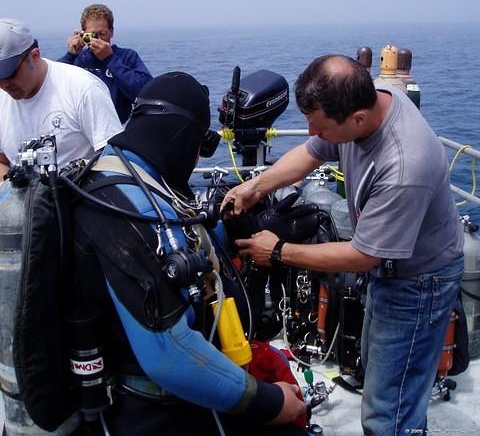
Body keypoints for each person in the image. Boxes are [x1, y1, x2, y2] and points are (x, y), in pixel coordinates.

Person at [222, 54, 464, 436]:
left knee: (389, 412)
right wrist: (256, 185)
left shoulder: (403, 165)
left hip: (418, 283)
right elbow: (313, 151)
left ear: (357, 121)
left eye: (318, 126)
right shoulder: (368, 101)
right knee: (388, 382)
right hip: (391, 271)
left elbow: (364, 255)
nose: (309, 133)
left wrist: (279, 251)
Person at [70, 71, 306, 436]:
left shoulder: (120, 173)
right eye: (199, 145)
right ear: (183, 138)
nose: (197, 158)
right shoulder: (132, 214)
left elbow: (178, 243)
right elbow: (170, 355)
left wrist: (231, 228)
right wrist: (270, 403)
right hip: (157, 410)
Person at [0, 17, 122, 180]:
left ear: (35, 56)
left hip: (80, 197)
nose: (4, 84)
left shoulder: (83, 88)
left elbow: (113, 159)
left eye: (9, 73)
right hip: (22, 203)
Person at [58, 4, 152, 123]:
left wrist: (110, 59)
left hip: (117, 127)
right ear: (82, 34)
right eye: (92, 35)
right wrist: (70, 56)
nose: (98, 40)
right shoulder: (77, 60)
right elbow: (52, 86)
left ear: (111, 31)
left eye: (102, 34)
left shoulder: (127, 57)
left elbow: (146, 92)